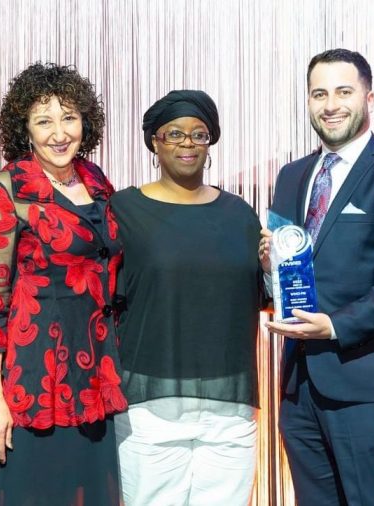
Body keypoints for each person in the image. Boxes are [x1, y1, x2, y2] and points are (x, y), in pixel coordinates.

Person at [259, 48, 374, 505]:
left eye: (343, 91)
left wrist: (336, 325)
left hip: (369, 388)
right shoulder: (292, 175)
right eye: (319, 93)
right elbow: (286, 274)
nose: (331, 104)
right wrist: (268, 268)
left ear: (369, 97)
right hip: (299, 387)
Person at [0, 62, 127, 505]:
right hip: (30, 386)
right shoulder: (7, 190)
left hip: (93, 380)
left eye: (69, 118)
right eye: (44, 121)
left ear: (85, 122)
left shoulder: (96, 181)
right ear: (25, 130)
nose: (59, 133)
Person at [112, 89, 264, 506]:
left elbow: (263, 293)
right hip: (149, 406)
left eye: (199, 135)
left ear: (210, 143)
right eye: (174, 134)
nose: (187, 143)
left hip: (229, 407)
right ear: (154, 143)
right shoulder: (123, 209)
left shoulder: (239, 214)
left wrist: (274, 268)